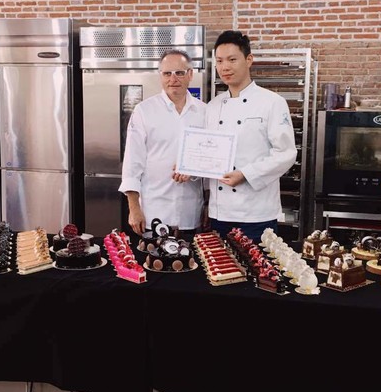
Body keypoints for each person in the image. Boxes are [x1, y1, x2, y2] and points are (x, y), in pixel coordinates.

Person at [205, 30, 297, 242]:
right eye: (219, 61)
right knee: (218, 263)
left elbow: (286, 154)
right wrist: (188, 168)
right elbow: (208, 151)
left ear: (249, 60)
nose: (225, 67)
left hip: (257, 214)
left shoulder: (272, 102)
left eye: (232, 60)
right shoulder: (213, 107)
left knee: (257, 264)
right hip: (219, 212)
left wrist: (245, 174)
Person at [119, 50, 207, 236]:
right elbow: (132, 163)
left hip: (191, 214)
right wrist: (134, 209)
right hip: (153, 215)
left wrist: (207, 202)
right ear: (160, 76)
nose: (173, 79)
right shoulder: (144, 111)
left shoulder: (204, 112)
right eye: (167, 73)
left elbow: (210, 160)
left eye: (179, 73)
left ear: (190, 74)